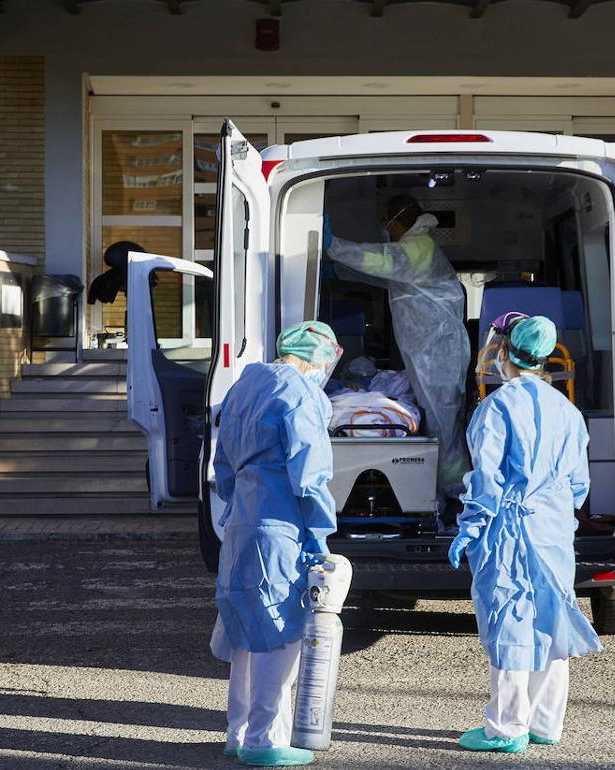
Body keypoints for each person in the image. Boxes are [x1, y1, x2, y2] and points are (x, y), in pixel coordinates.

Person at [447, 315, 602, 753]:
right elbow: (578, 485)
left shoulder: (495, 408)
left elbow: (488, 481)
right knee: (553, 621)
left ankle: (506, 728)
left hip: (510, 530)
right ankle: (546, 724)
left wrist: (470, 527)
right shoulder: (567, 411)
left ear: (502, 353)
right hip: (552, 530)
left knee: (511, 622)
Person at [210, 321, 343, 768]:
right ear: (318, 355)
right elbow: (310, 475)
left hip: (242, 521)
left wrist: (243, 500)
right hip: (279, 523)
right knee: (279, 630)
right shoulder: (301, 393)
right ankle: (266, 739)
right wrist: (320, 534)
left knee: (245, 630)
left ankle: (238, 731)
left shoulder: (245, 385)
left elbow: (222, 462)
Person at [324, 194, 471, 522]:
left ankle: (456, 495)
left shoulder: (418, 248)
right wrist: (337, 266)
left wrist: (336, 247)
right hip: (430, 351)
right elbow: (381, 274)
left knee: (443, 422)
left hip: (438, 352)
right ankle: (443, 490)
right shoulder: (416, 252)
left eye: (386, 219)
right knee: (437, 419)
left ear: (398, 219)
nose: (385, 227)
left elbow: (381, 262)